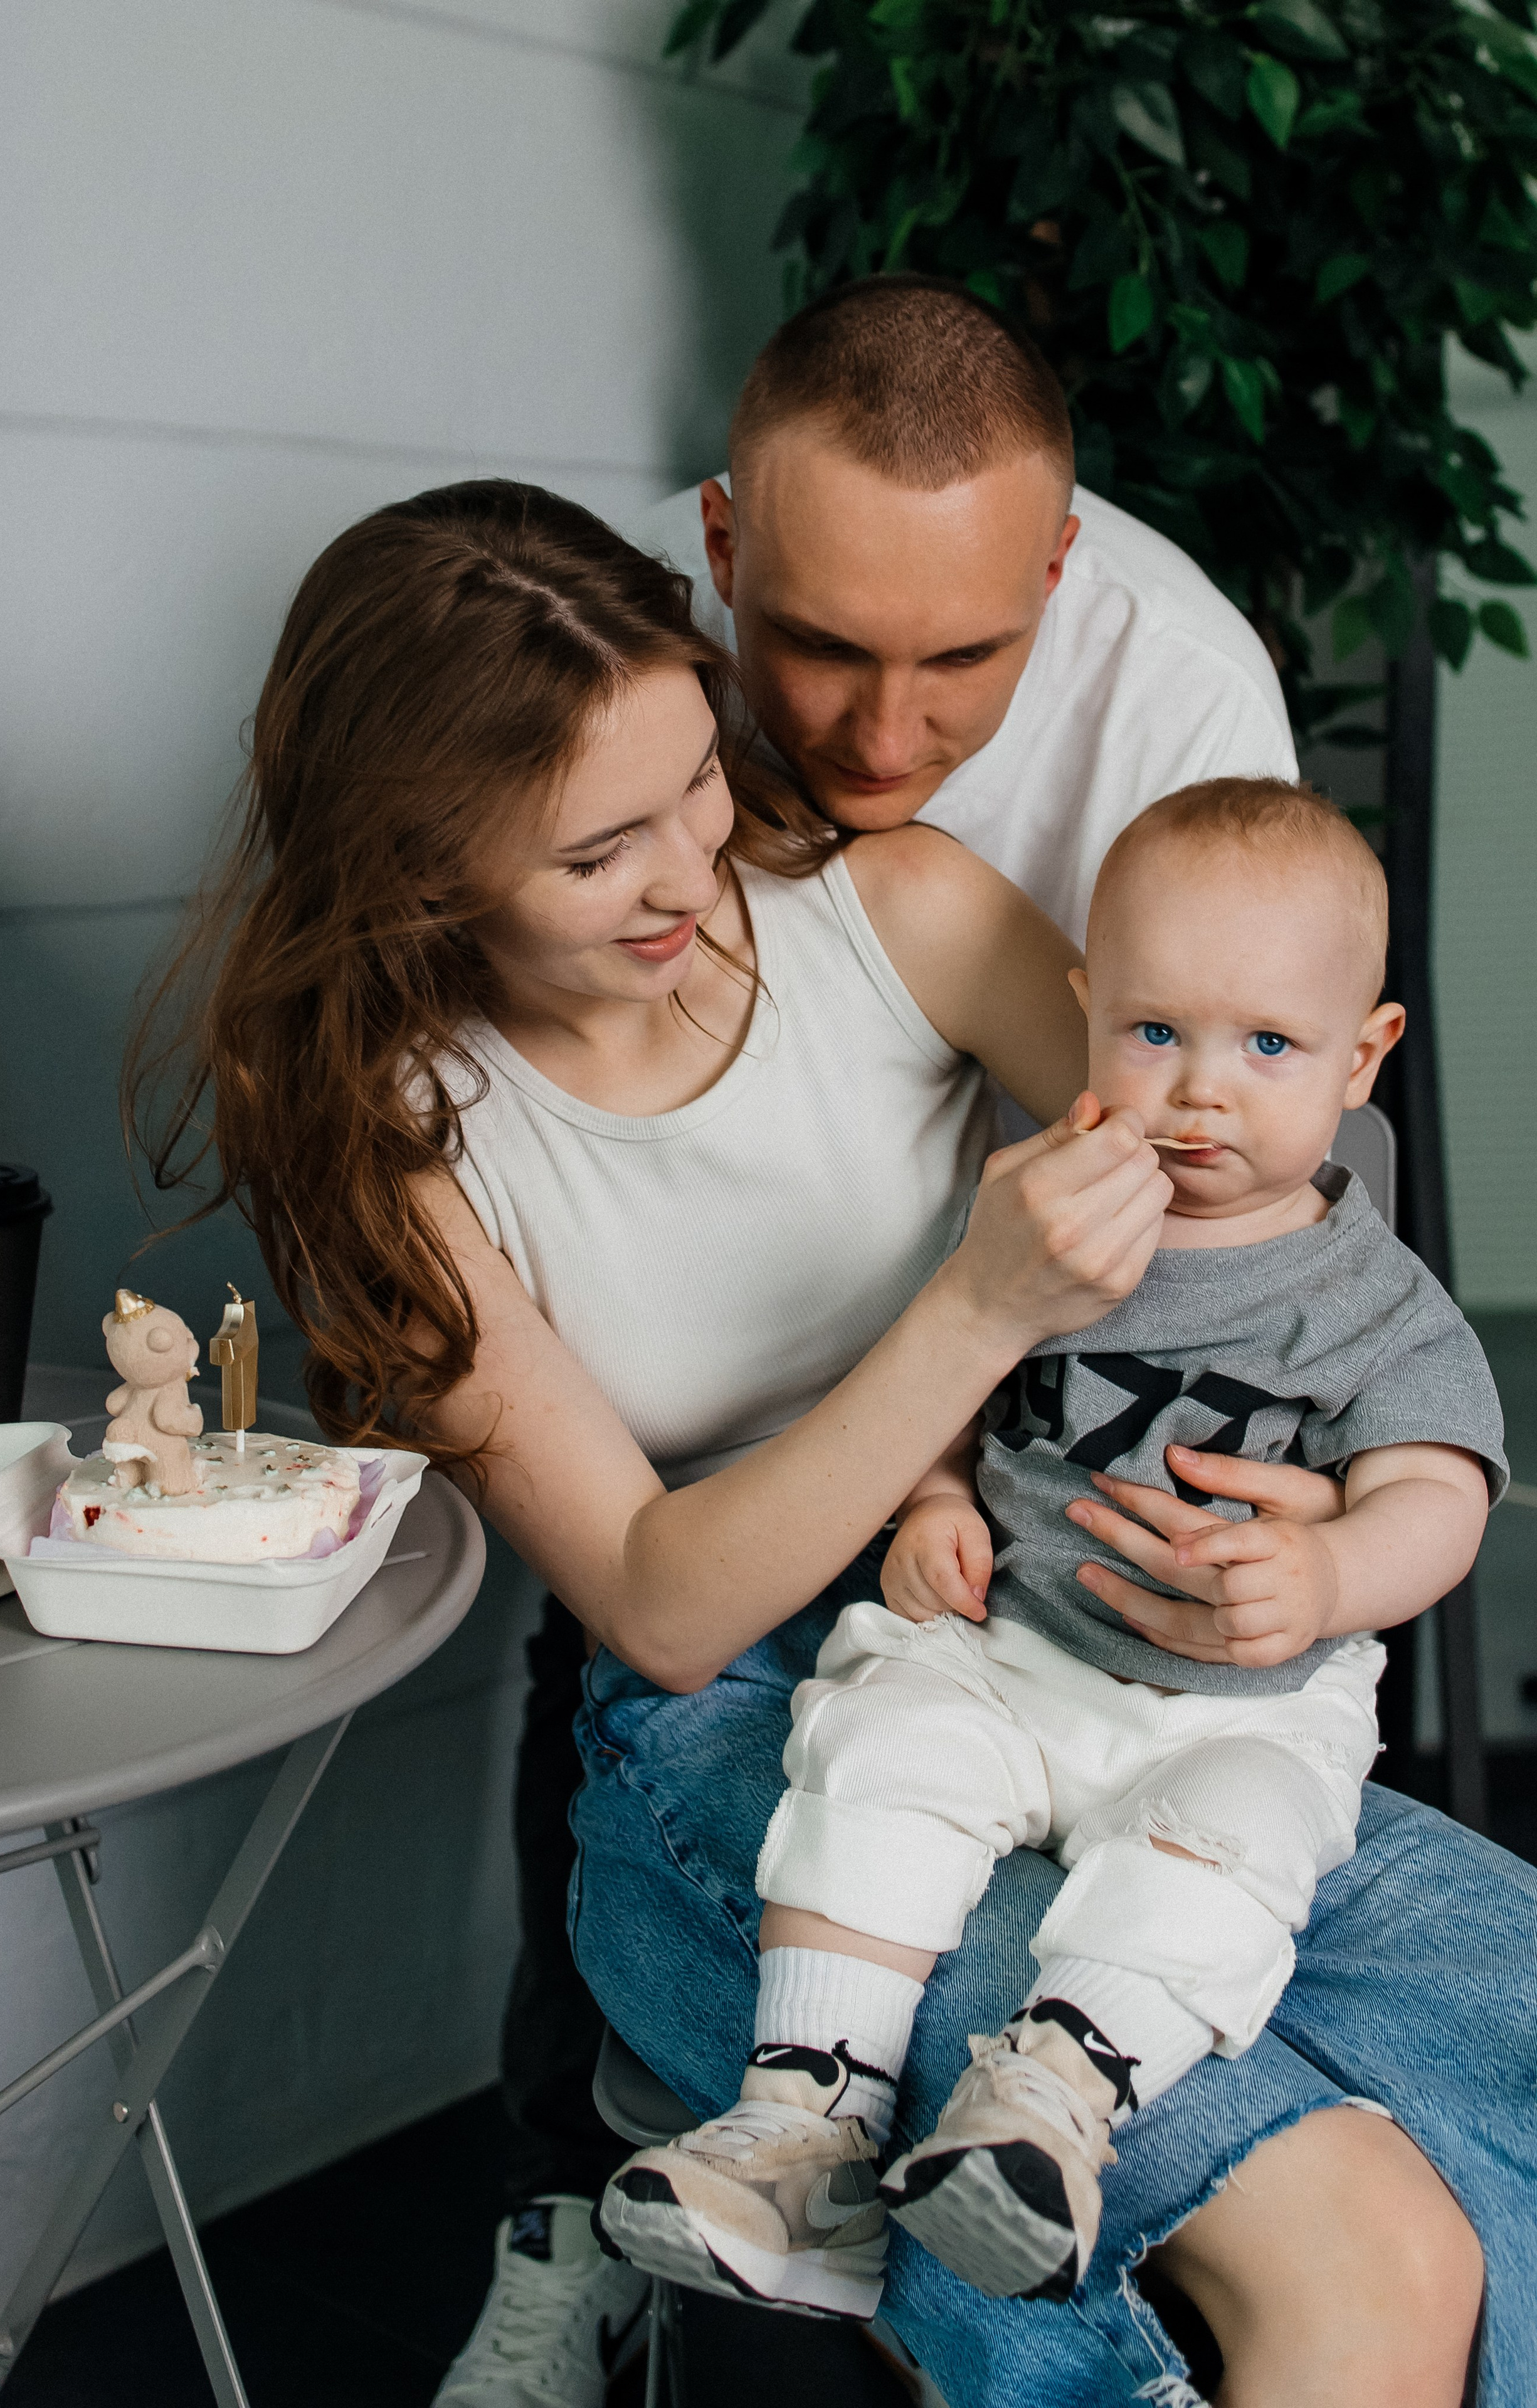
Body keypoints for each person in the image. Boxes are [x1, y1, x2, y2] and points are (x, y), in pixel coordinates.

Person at [133, 478, 1526, 2408]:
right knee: (1355, 2245)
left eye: (698, 781)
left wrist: (1332, 1498)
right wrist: (976, 1313)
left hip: (1118, 1638)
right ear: (421, 872)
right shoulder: (394, 1136)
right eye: (596, 851)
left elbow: (1281, 1185)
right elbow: (656, 1601)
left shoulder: (901, 912)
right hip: (760, 1701)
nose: (691, 874)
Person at [482, 277, 1316, 2394]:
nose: (872, 736)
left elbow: (1251, 1163)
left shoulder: (1179, 693)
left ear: (1060, 570)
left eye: (963, 663)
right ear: (723, 550)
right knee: (628, 1694)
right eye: (820, 650)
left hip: (1063, 1391)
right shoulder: (617, 682)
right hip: (721, 1445)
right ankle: (562, 2204)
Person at [597, 777, 1505, 2325]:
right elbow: (948, 1378)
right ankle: (802, 2128)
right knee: (877, 1747)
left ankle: (1051, 2114)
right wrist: (939, 1501)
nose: (1199, 1094)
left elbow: (1440, 1485)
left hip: (1235, 1702)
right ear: (1083, 1009)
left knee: (1219, 1861)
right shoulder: (1046, 1208)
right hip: (1010, 1648)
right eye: (1154, 1033)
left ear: (1363, 1057)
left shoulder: (1365, 1293)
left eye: (1269, 1047)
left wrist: (1337, 1576)